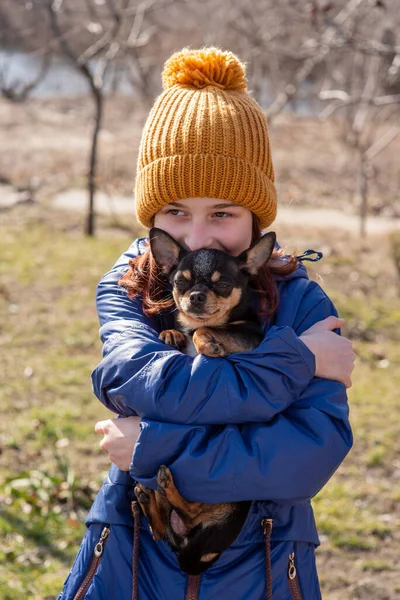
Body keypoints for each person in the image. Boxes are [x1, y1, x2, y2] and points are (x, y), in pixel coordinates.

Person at [58, 47, 355, 600]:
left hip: (262, 569)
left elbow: (305, 461)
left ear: (257, 221)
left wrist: (151, 447)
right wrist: (298, 360)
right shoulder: (128, 286)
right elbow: (136, 383)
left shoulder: (304, 306)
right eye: (176, 212)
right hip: (128, 562)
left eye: (222, 213)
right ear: (153, 223)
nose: (198, 237)